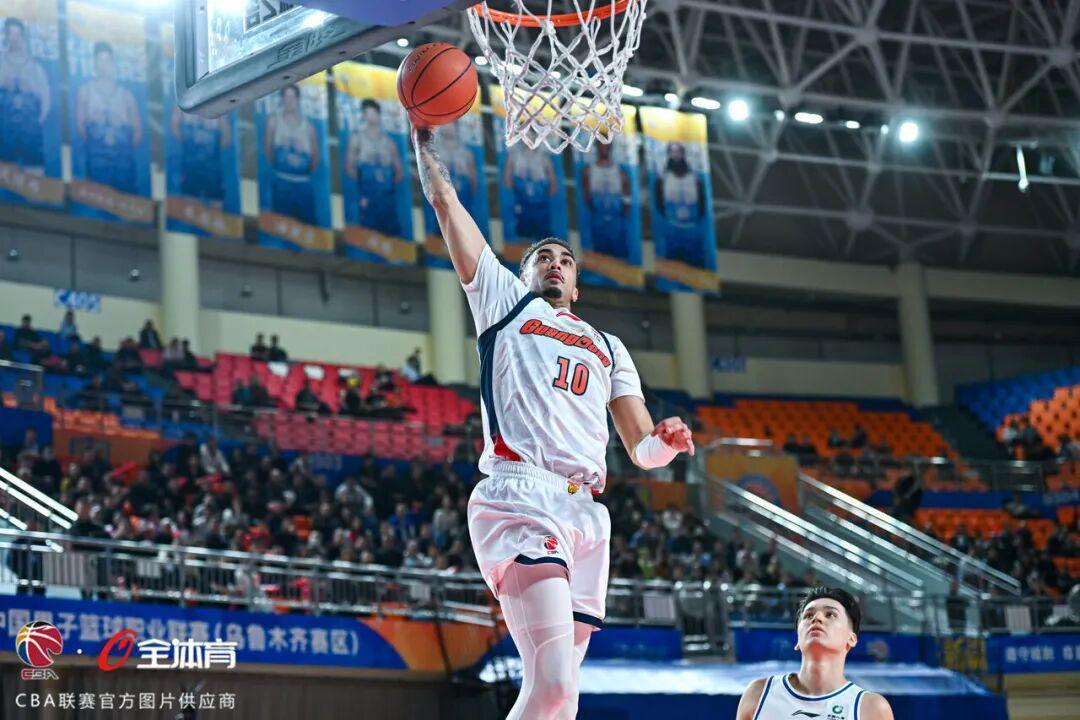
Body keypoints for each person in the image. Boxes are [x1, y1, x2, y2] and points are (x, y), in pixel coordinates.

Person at [414, 124, 694, 719]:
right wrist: (424, 141)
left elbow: (641, 450)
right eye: (544, 257)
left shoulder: (609, 347)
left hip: (586, 515)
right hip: (521, 496)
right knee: (554, 688)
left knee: (559, 700)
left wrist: (665, 445)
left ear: (577, 283)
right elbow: (446, 203)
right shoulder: (504, 304)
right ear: (524, 274)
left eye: (566, 260)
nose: (556, 264)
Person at [736, 587, 893, 720]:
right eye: (808, 615)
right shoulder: (759, 694)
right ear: (798, 640)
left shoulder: (870, 708)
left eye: (830, 614)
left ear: (851, 638)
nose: (816, 618)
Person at [75, 41, 141, 194]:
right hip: (96, 161)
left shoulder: (127, 96)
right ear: (94, 63)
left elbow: (138, 132)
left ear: (113, 63)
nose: (104, 65)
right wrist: (98, 142)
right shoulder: (85, 92)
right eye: (100, 60)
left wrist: (121, 147)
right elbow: (80, 126)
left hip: (123, 162)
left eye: (108, 60)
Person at [346, 99, 403, 236]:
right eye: (368, 113)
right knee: (368, 234)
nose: (371, 117)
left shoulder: (389, 143)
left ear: (379, 114)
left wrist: (385, 186)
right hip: (367, 198)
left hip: (386, 199)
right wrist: (367, 182)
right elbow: (349, 168)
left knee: (391, 235)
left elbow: (399, 172)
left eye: (374, 113)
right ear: (363, 115)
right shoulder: (357, 139)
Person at [0, 17, 50, 172]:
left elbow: (46, 100)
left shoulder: (36, 67)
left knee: (35, 173)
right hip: (5, 132)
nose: (14, 38)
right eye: (11, 34)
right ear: (6, 36)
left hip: (30, 132)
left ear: (23, 36)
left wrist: (36, 123)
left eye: (18, 34)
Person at [263, 84, 318, 225]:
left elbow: (315, 158)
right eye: (286, 97)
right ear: (282, 99)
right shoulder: (274, 121)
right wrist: (282, 165)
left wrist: (301, 170)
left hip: (303, 185)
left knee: (307, 226)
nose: (290, 101)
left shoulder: (309, 127)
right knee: (282, 226)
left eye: (292, 97)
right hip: (282, 183)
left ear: (298, 99)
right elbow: (268, 149)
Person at [653, 142, 706, 268]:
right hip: (672, 230)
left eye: (678, 151)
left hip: (692, 230)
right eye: (673, 151)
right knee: (673, 266)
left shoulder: (695, 178)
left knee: (695, 265)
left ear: (683, 153)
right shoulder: (662, 178)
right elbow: (658, 203)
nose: (676, 154)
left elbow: (702, 203)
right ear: (669, 154)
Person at [170, 105, 230, 205]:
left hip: (211, 166)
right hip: (191, 164)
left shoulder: (219, 105)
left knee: (215, 201)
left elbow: (226, 137)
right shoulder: (183, 104)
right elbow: (174, 126)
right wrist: (189, 144)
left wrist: (211, 150)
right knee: (190, 202)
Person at [581, 141, 631, 258]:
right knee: (600, 255)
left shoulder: (621, 173)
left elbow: (627, 196)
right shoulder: (588, 171)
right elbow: (587, 196)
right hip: (598, 221)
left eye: (607, 145)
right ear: (597, 146)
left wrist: (622, 214)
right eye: (601, 144)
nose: (604, 148)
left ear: (611, 147)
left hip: (617, 221)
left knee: (620, 256)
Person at [503, 141, 557, 243]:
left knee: (543, 235)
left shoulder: (544, 158)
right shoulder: (514, 155)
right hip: (523, 205)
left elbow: (553, 187)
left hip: (540, 206)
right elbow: (507, 181)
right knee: (523, 235)